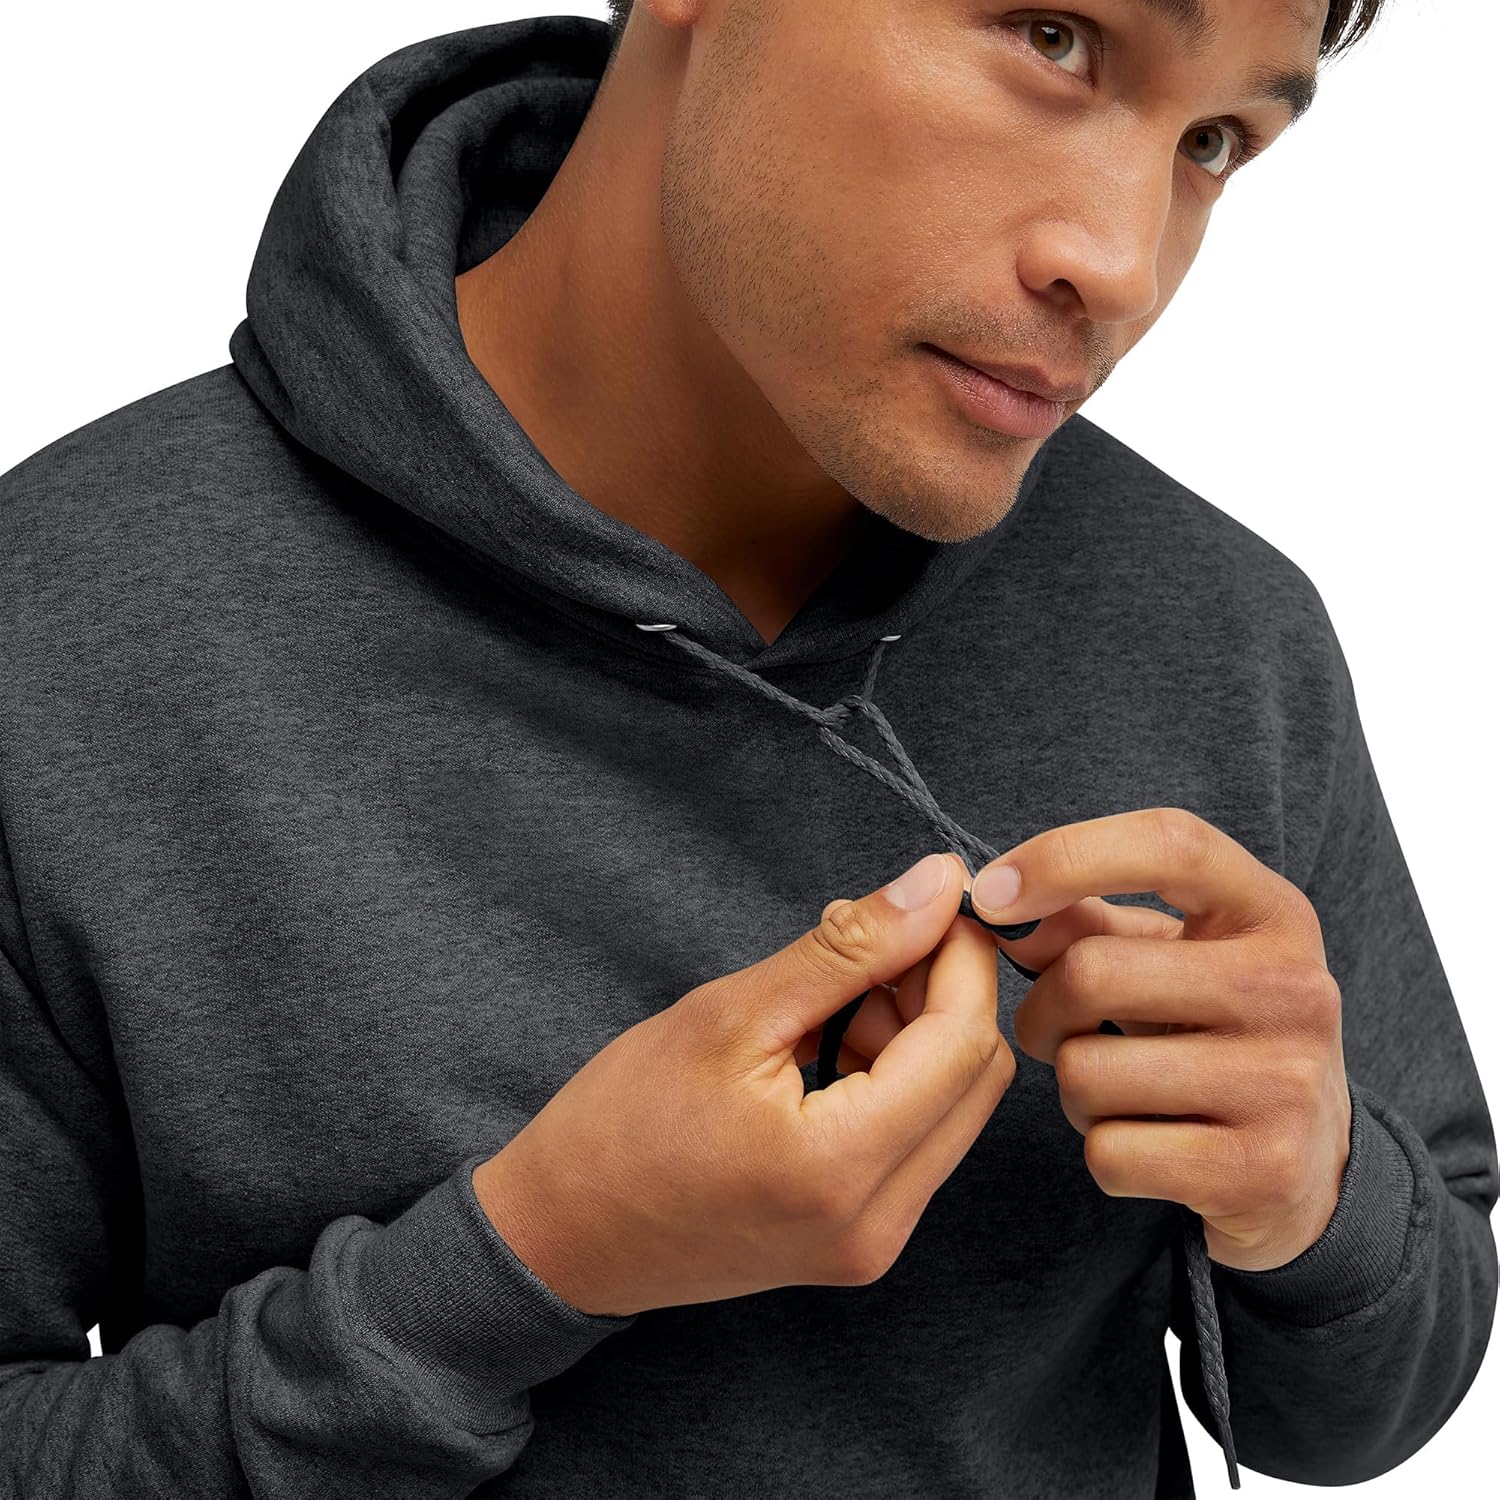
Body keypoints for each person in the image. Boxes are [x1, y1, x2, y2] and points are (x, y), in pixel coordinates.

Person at [0, 2, 1493, 1496]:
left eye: (1214, 140)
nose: (1119, 265)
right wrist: (531, 1261)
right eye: (1052, 37)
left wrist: (1319, 1200)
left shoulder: (1221, 626)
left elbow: (1370, 1400)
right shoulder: (63, 629)